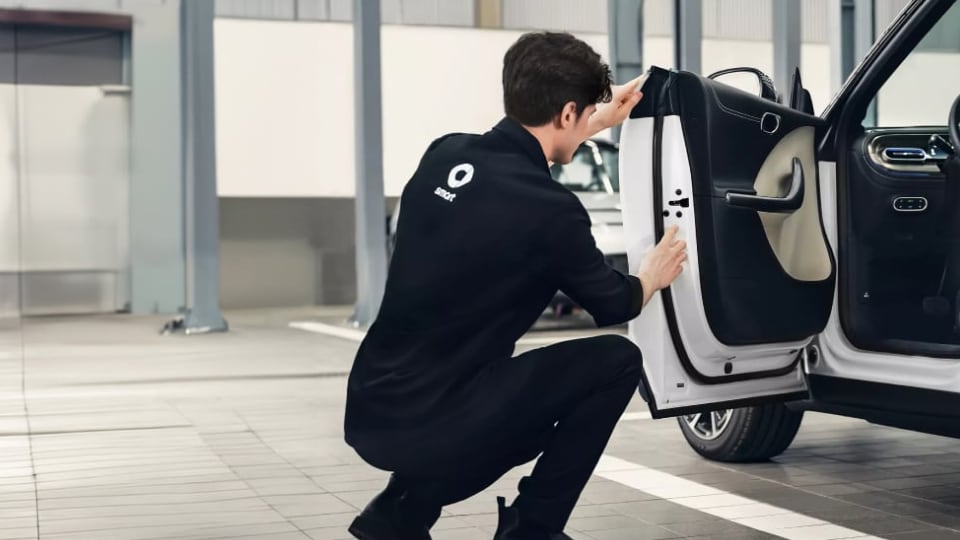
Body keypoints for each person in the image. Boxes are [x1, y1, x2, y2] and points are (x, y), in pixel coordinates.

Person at [344, 31, 687, 540]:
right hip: (436, 422)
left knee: (518, 420)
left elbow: (517, 165)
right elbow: (614, 301)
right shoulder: (551, 211)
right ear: (568, 113)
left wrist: (593, 121)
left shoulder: (444, 153)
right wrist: (651, 275)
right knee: (616, 363)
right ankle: (533, 530)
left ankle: (398, 514)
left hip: (371, 408)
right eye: (584, 112)